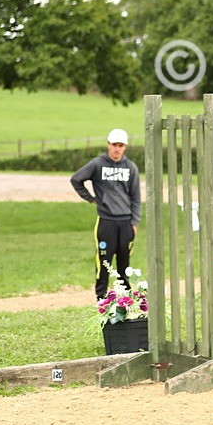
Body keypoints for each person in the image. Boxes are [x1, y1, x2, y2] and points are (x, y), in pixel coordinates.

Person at [71, 128, 142, 299]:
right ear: (108, 145)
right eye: (114, 145)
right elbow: (76, 179)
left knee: (124, 263)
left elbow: (136, 197)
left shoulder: (131, 167)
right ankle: (101, 298)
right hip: (106, 221)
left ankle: (126, 299)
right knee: (104, 262)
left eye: (120, 145)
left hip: (126, 223)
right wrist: (91, 198)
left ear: (125, 147)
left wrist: (134, 222)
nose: (117, 149)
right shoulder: (97, 164)